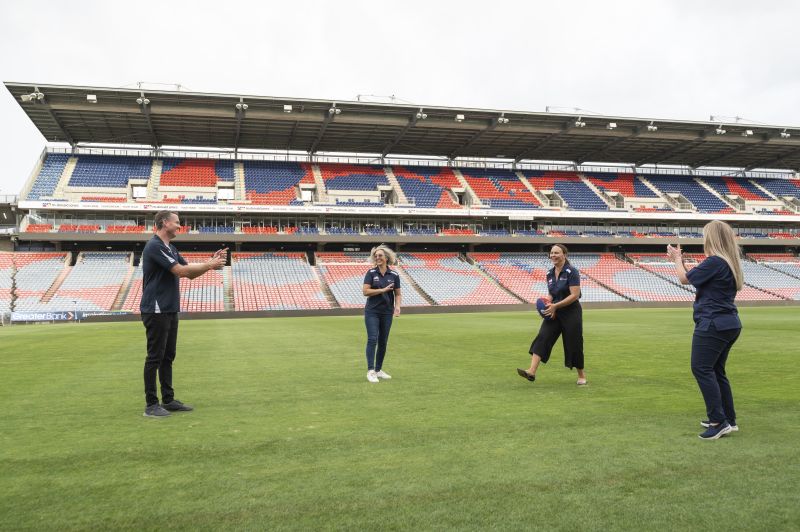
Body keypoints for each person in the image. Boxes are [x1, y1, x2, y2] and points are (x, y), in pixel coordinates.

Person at [140, 211, 226, 417]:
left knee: (168, 356)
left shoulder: (170, 247)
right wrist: (209, 265)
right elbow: (180, 271)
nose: (180, 226)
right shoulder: (154, 246)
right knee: (155, 357)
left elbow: (190, 272)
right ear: (164, 223)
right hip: (156, 308)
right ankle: (151, 405)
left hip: (169, 308)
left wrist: (209, 263)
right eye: (177, 223)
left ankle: (168, 400)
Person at [667, 220, 743, 440]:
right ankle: (728, 418)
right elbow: (695, 279)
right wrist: (681, 261)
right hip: (729, 322)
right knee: (717, 370)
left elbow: (683, 279)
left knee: (701, 368)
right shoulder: (727, 262)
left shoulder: (714, 262)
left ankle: (718, 422)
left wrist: (677, 260)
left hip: (713, 323)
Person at [517, 244, 587, 385]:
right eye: (551, 253)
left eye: (557, 253)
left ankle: (581, 375)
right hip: (554, 312)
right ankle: (531, 371)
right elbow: (551, 293)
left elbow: (575, 295)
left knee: (574, 343)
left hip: (571, 312)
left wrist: (555, 305)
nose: (553, 255)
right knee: (543, 337)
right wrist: (546, 305)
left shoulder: (572, 272)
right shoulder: (549, 273)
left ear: (564, 255)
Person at [362, 244, 402, 383]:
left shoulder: (394, 275)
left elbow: (397, 294)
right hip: (372, 311)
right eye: (376, 256)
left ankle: (378, 370)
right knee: (372, 339)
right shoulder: (371, 273)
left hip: (387, 312)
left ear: (386, 258)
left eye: (380, 255)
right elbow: (365, 291)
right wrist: (382, 290)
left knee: (383, 342)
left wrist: (397, 307)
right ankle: (370, 371)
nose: (377, 258)